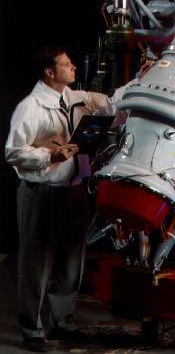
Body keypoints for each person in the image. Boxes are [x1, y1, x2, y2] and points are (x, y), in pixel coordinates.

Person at [5, 46, 138, 352]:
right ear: (49, 72)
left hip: (74, 190)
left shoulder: (77, 98)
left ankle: (62, 323)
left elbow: (112, 105)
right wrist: (50, 155)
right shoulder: (31, 107)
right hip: (42, 193)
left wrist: (141, 80)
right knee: (37, 263)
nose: (74, 67)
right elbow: (12, 152)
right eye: (67, 65)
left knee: (70, 260)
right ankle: (32, 330)